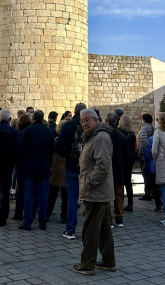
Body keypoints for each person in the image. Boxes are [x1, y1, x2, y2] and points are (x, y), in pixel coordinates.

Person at [73, 109, 115, 276]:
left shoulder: (101, 138)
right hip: (96, 190)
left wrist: (88, 183)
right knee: (103, 227)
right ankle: (108, 261)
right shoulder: (93, 137)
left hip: (96, 191)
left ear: (96, 120)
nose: (84, 123)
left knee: (90, 228)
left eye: (87, 120)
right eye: (82, 120)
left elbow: (102, 166)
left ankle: (87, 264)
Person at [18, 110, 54, 231]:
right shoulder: (48, 131)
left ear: (33, 118)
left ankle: (27, 222)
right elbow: (52, 149)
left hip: (29, 167)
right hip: (43, 167)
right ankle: (42, 222)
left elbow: (21, 150)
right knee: (43, 196)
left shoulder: (28, 131)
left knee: (29, 195)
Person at [55, 102, 86, 240]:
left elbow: (58, 146)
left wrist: (67, 156)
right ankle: (91, 231)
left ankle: (70, 230)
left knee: (72, 198)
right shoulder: (89, 125)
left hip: (72, 164)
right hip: (87, 165)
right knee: (90, 198)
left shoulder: (67, 125)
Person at [106, 112, 128, 228]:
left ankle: (109, 220)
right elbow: (126, 154)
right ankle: (119, 218)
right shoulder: (121, 136)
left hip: (107, 169)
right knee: (119, 195)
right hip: (119, 168)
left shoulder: (104, 135)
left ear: (106, 120)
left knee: (107, 196)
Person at [47, 118, 70, 223]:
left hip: (56, 170)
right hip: (67, 170)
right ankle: (64, 216)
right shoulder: (72, 141)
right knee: (66, 195)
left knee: (52, 194)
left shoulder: (56, 141)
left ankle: (47, 213)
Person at [12, 114, 32, 220]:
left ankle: (18, 213)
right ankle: (30, 213)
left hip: (20, 164)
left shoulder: (17, 133)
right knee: (30, 189)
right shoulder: (31, 133)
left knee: (20, 189)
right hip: (29, 164)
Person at [118, 114, 137, 212]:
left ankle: (120, 203)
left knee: (120, 182)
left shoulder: (119, 132)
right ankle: (130, 203)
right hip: (130, 159)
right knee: (128, 182)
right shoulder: (132, 133)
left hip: (121, 159)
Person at [137, 113, 154, 200]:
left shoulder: (144, 128)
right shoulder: (152, 127)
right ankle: (151, 192)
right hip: (151, 154)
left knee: (145, 174)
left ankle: (148, 193)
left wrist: (140, 152)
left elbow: (143, 142)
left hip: (145, 155)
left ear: (143, 120)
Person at [144, 135, 163, 212]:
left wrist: (148, 162)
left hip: (154, 165)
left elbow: (148, 153)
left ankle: (158, 205)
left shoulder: (152, 139)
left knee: (155, 187)